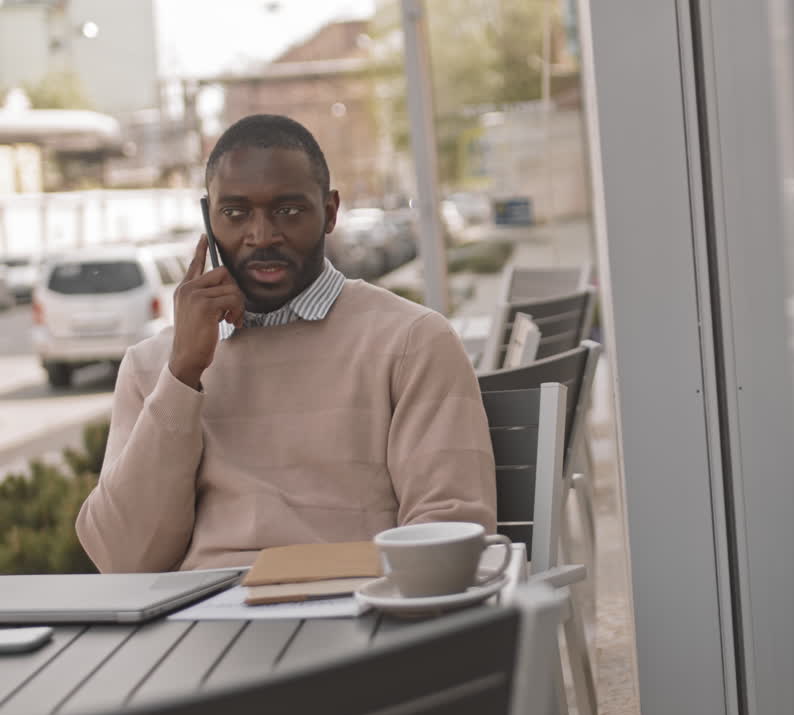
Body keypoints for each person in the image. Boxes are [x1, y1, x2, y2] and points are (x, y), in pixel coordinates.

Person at [76, 115, 496, 573]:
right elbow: (121, 561)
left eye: (288, 210)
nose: (262, 235)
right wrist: (181, 376)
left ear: (331, 212)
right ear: (207, 218)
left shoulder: (412, 342)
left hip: (356, 617)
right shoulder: (153, 365)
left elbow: (450, 530)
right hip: (200, 627)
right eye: (235, 214)